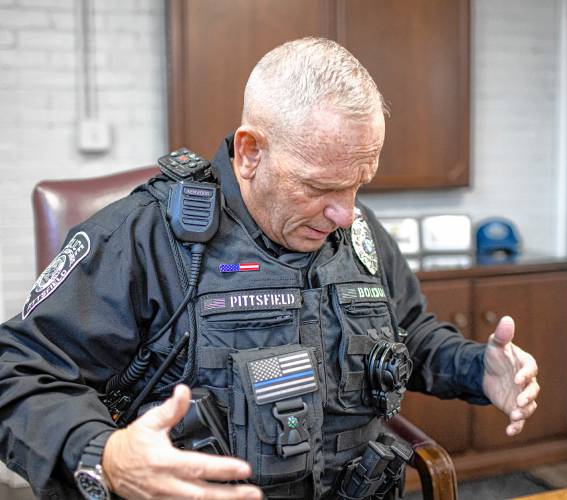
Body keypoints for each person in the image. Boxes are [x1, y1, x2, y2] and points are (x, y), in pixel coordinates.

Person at [0, 37, 539, 500]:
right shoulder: (144, 237)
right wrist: (108, 455)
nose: (346, 213)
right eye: (321, 187)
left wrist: (476, 368)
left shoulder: (357, 230)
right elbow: (18, 372)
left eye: (359, 183)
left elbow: (407, 334)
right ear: (250, 152)